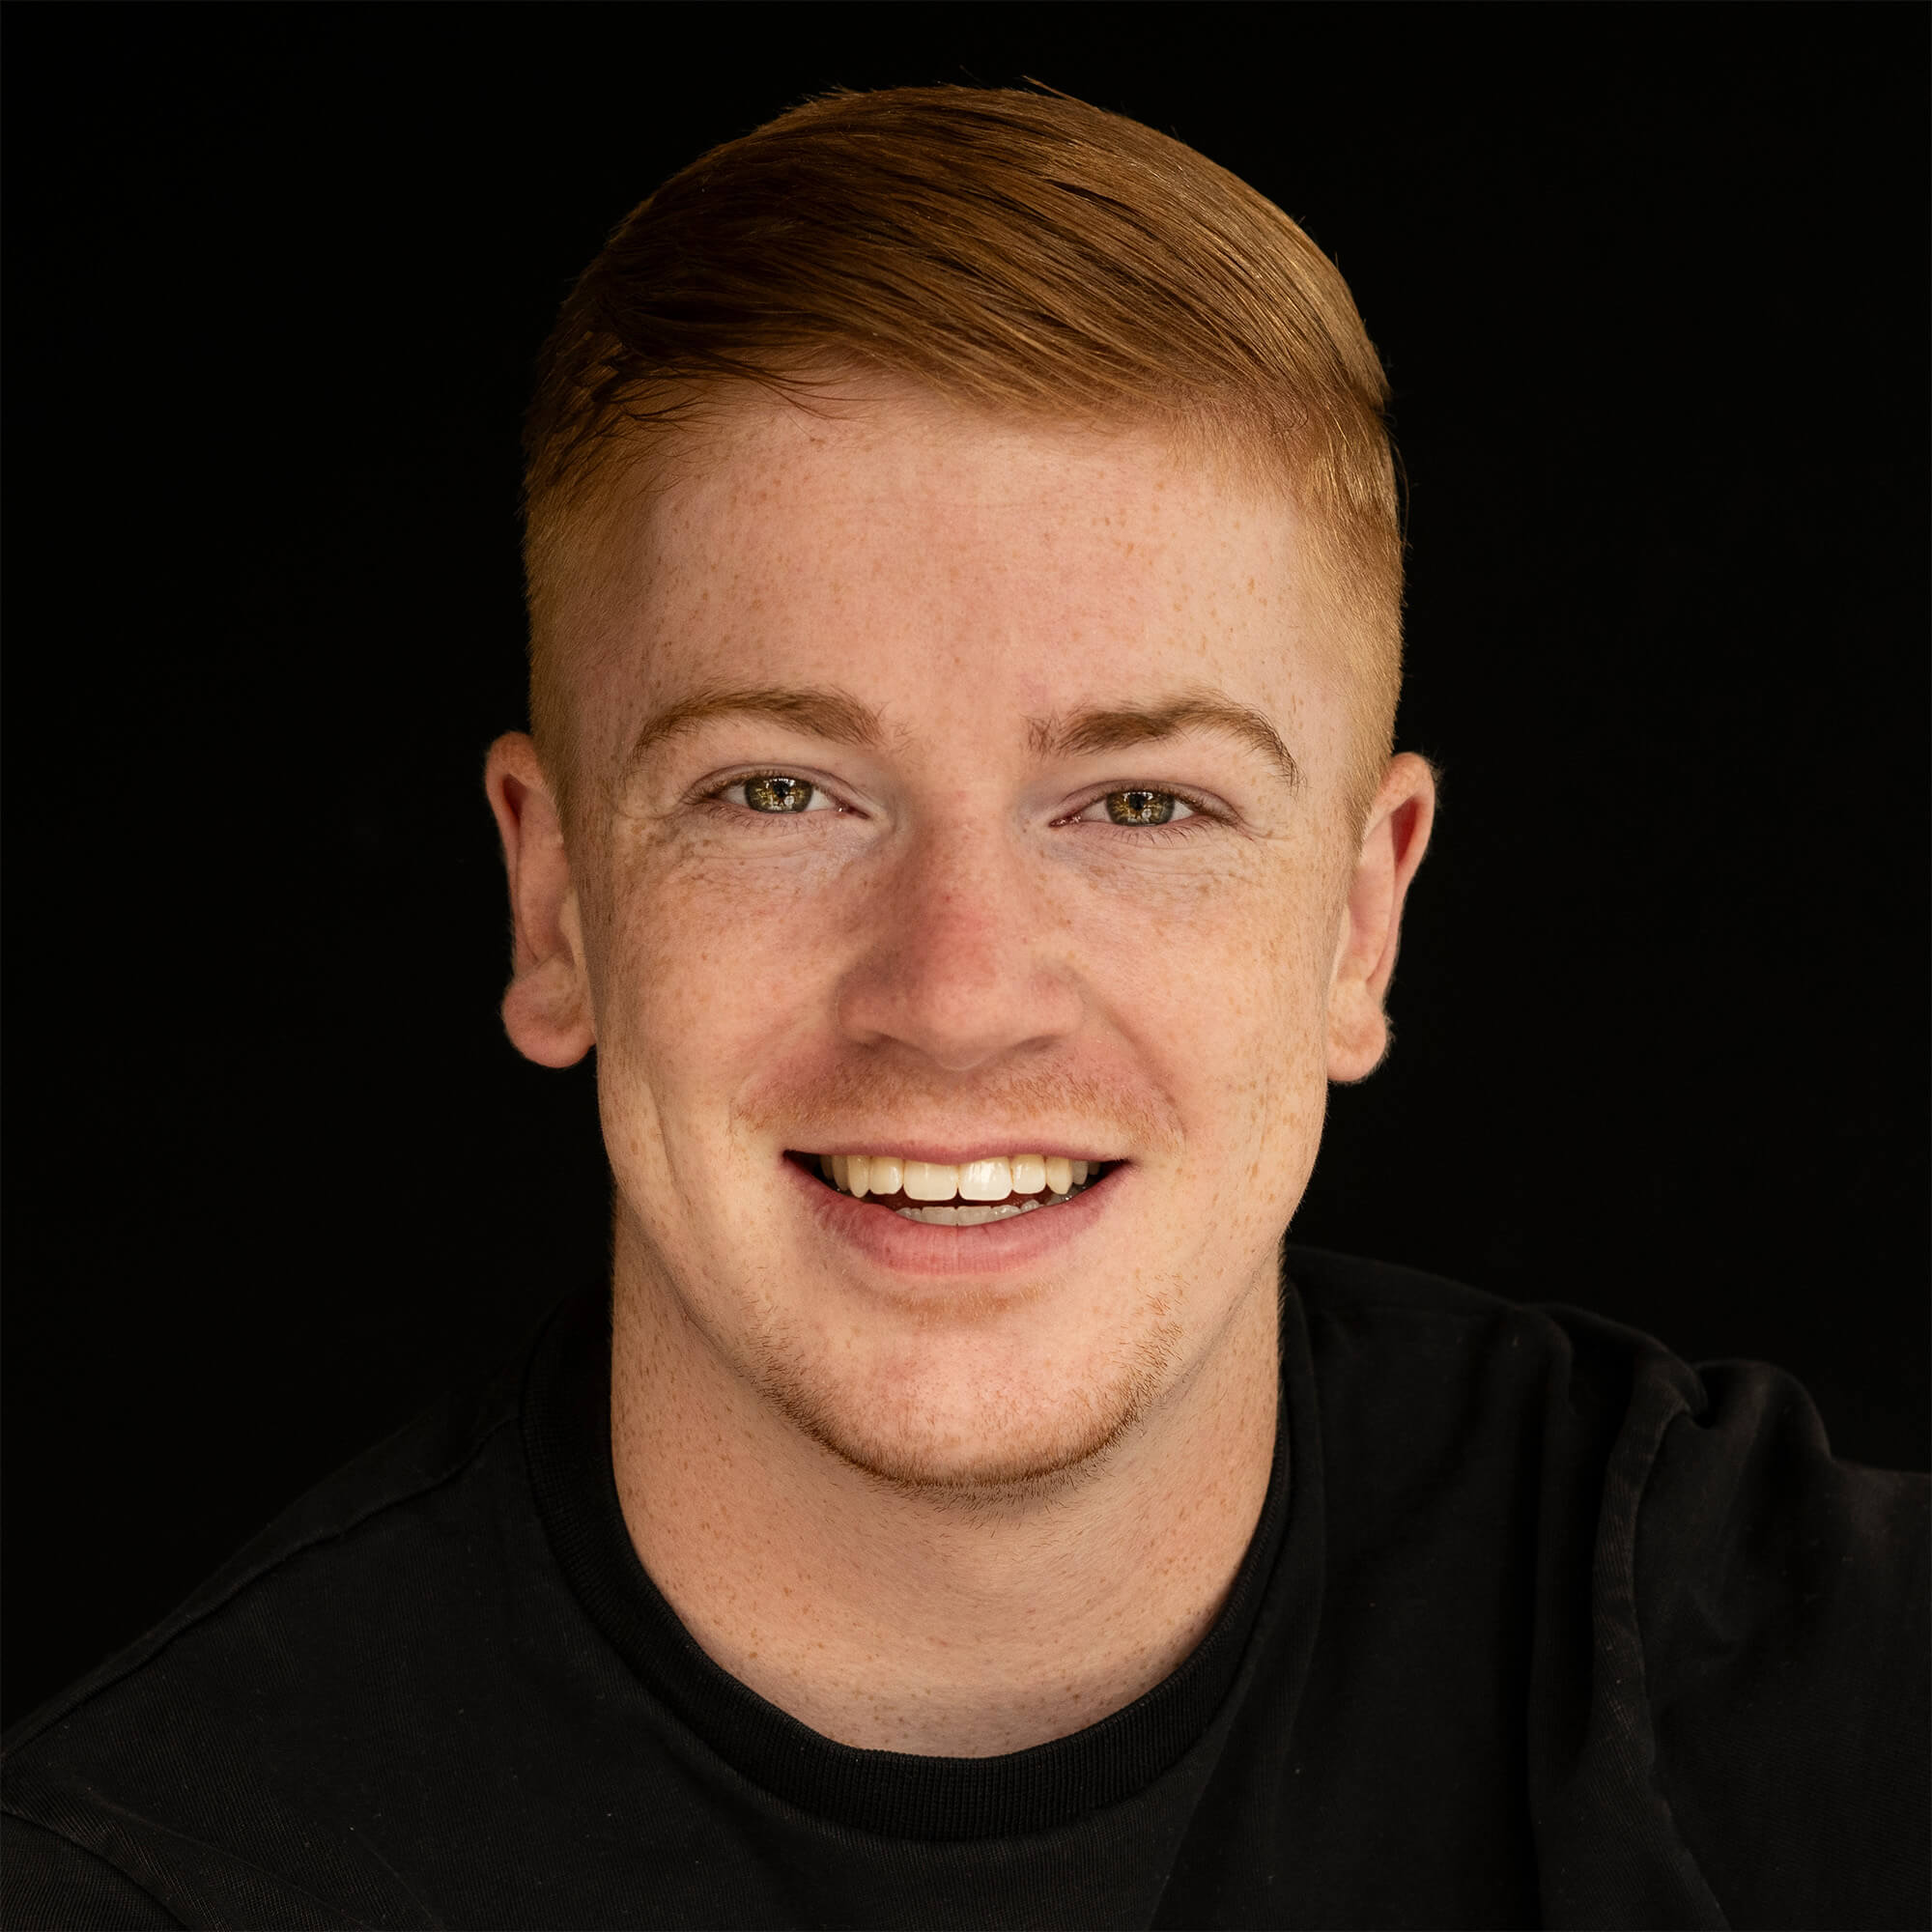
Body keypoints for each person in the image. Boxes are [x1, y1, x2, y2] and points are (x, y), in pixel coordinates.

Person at [3, 83, 1924, 1932]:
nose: (954, 994)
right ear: (556, 900)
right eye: (780, 793)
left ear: (1362, 921)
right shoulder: (167, 1877)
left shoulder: (1777, 1687)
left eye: (1142, 805)